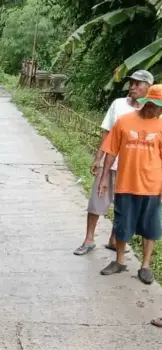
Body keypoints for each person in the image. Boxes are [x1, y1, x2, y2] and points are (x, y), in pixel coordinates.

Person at [74, 70, 153, 256]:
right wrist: (98, 157)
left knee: (124, 207)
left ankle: (113, 240)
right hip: (110, 163)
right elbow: (107, 132)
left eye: (137, 84)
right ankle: (89, 239)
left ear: (149, 87)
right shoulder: (118, 105)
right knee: (97, 201)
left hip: (133, 169)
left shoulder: (152, 112)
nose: (132, 87)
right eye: (131, 83)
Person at [97, 84, 162, 285]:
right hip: (126, 183)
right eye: (156, 105)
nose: (158, 110)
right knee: (122, 224)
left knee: (150, 227)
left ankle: (145, 266)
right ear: (147, 102)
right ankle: (119, 261)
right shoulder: (124, 121)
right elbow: (111, 151)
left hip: (152, 186)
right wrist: (103, 178)